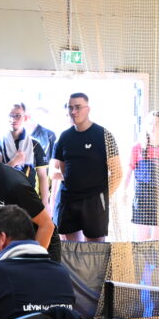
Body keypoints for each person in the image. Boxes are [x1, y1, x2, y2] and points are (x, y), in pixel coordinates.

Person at [0, 131, 61, 262]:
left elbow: (47, 225)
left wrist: (33, 261)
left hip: (41, 243)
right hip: (11, 243)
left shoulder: (15, 185)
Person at [50, 93, 122, 242]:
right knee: (71, 249)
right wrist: (73, 178)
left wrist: (102, 197)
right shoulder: (64, 137)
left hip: (94, 202)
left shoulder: (104, 135)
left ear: (88, 109)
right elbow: (55, 170)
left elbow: (117, 173)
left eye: (77, 107)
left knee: (95, 249)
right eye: (70, 108)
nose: (73, 112)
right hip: (69, 200)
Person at [123, 112, 159, 241]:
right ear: (146, 126)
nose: (153, 126)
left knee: (157, 243)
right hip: (143, 197)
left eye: (157, 123)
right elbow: (128, 172)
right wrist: (124, 192)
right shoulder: (137, 148)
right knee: (140, 242)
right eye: (150, 123)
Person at [0, 103, 49, 208]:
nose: (13, 119)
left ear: (25, 118)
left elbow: (43, 176)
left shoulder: (34, 145)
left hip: (30, 198)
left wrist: (45, 203)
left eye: (18, 115)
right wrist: (14, 162)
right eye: (10, 115)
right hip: (5, 199)